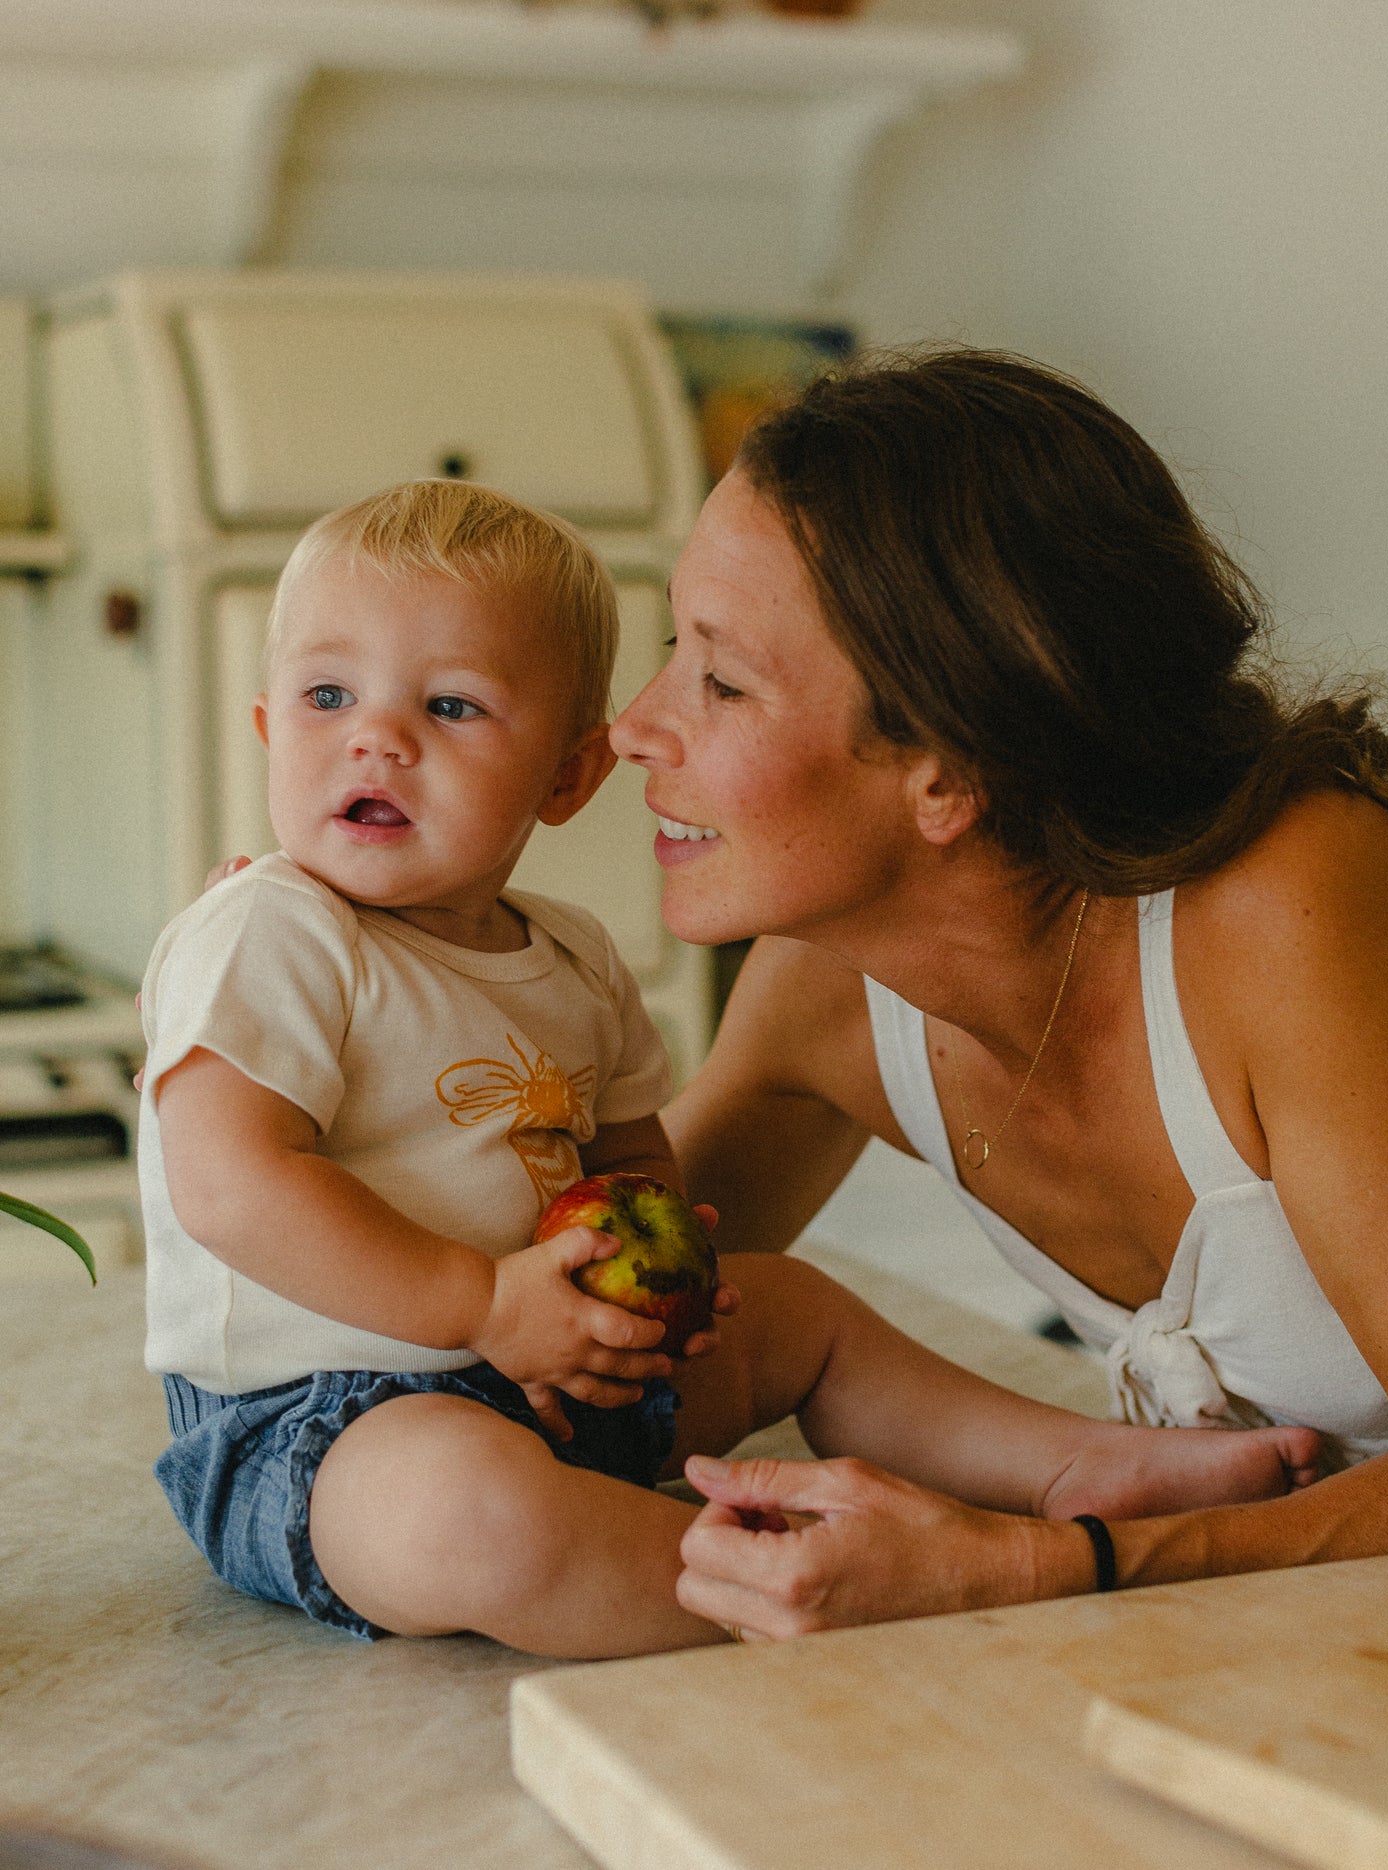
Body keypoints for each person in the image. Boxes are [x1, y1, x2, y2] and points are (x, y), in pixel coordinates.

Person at [142, 477, 1318, 1658]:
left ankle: (1077, 1460)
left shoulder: (570, 955)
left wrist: (658, 1282)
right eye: (326, 695)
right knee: (467, 1510)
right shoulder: (271, 930)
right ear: (265, 731)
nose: (377, 736)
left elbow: (622, 1152)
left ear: (565, 778)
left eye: (451, 706)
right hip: (322, 1424)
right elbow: (231, 1184)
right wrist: (481, 1305)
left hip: (549, 1364)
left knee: (797, 1309)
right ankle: (779, 1586)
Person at [604, 348, 1388, 1639]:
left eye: (720, 679)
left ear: (948, 771)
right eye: (677, 645)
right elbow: (610, 1337)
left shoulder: (1293, 909)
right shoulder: (825, 998)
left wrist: (1036, 1562)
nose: (633, 725)